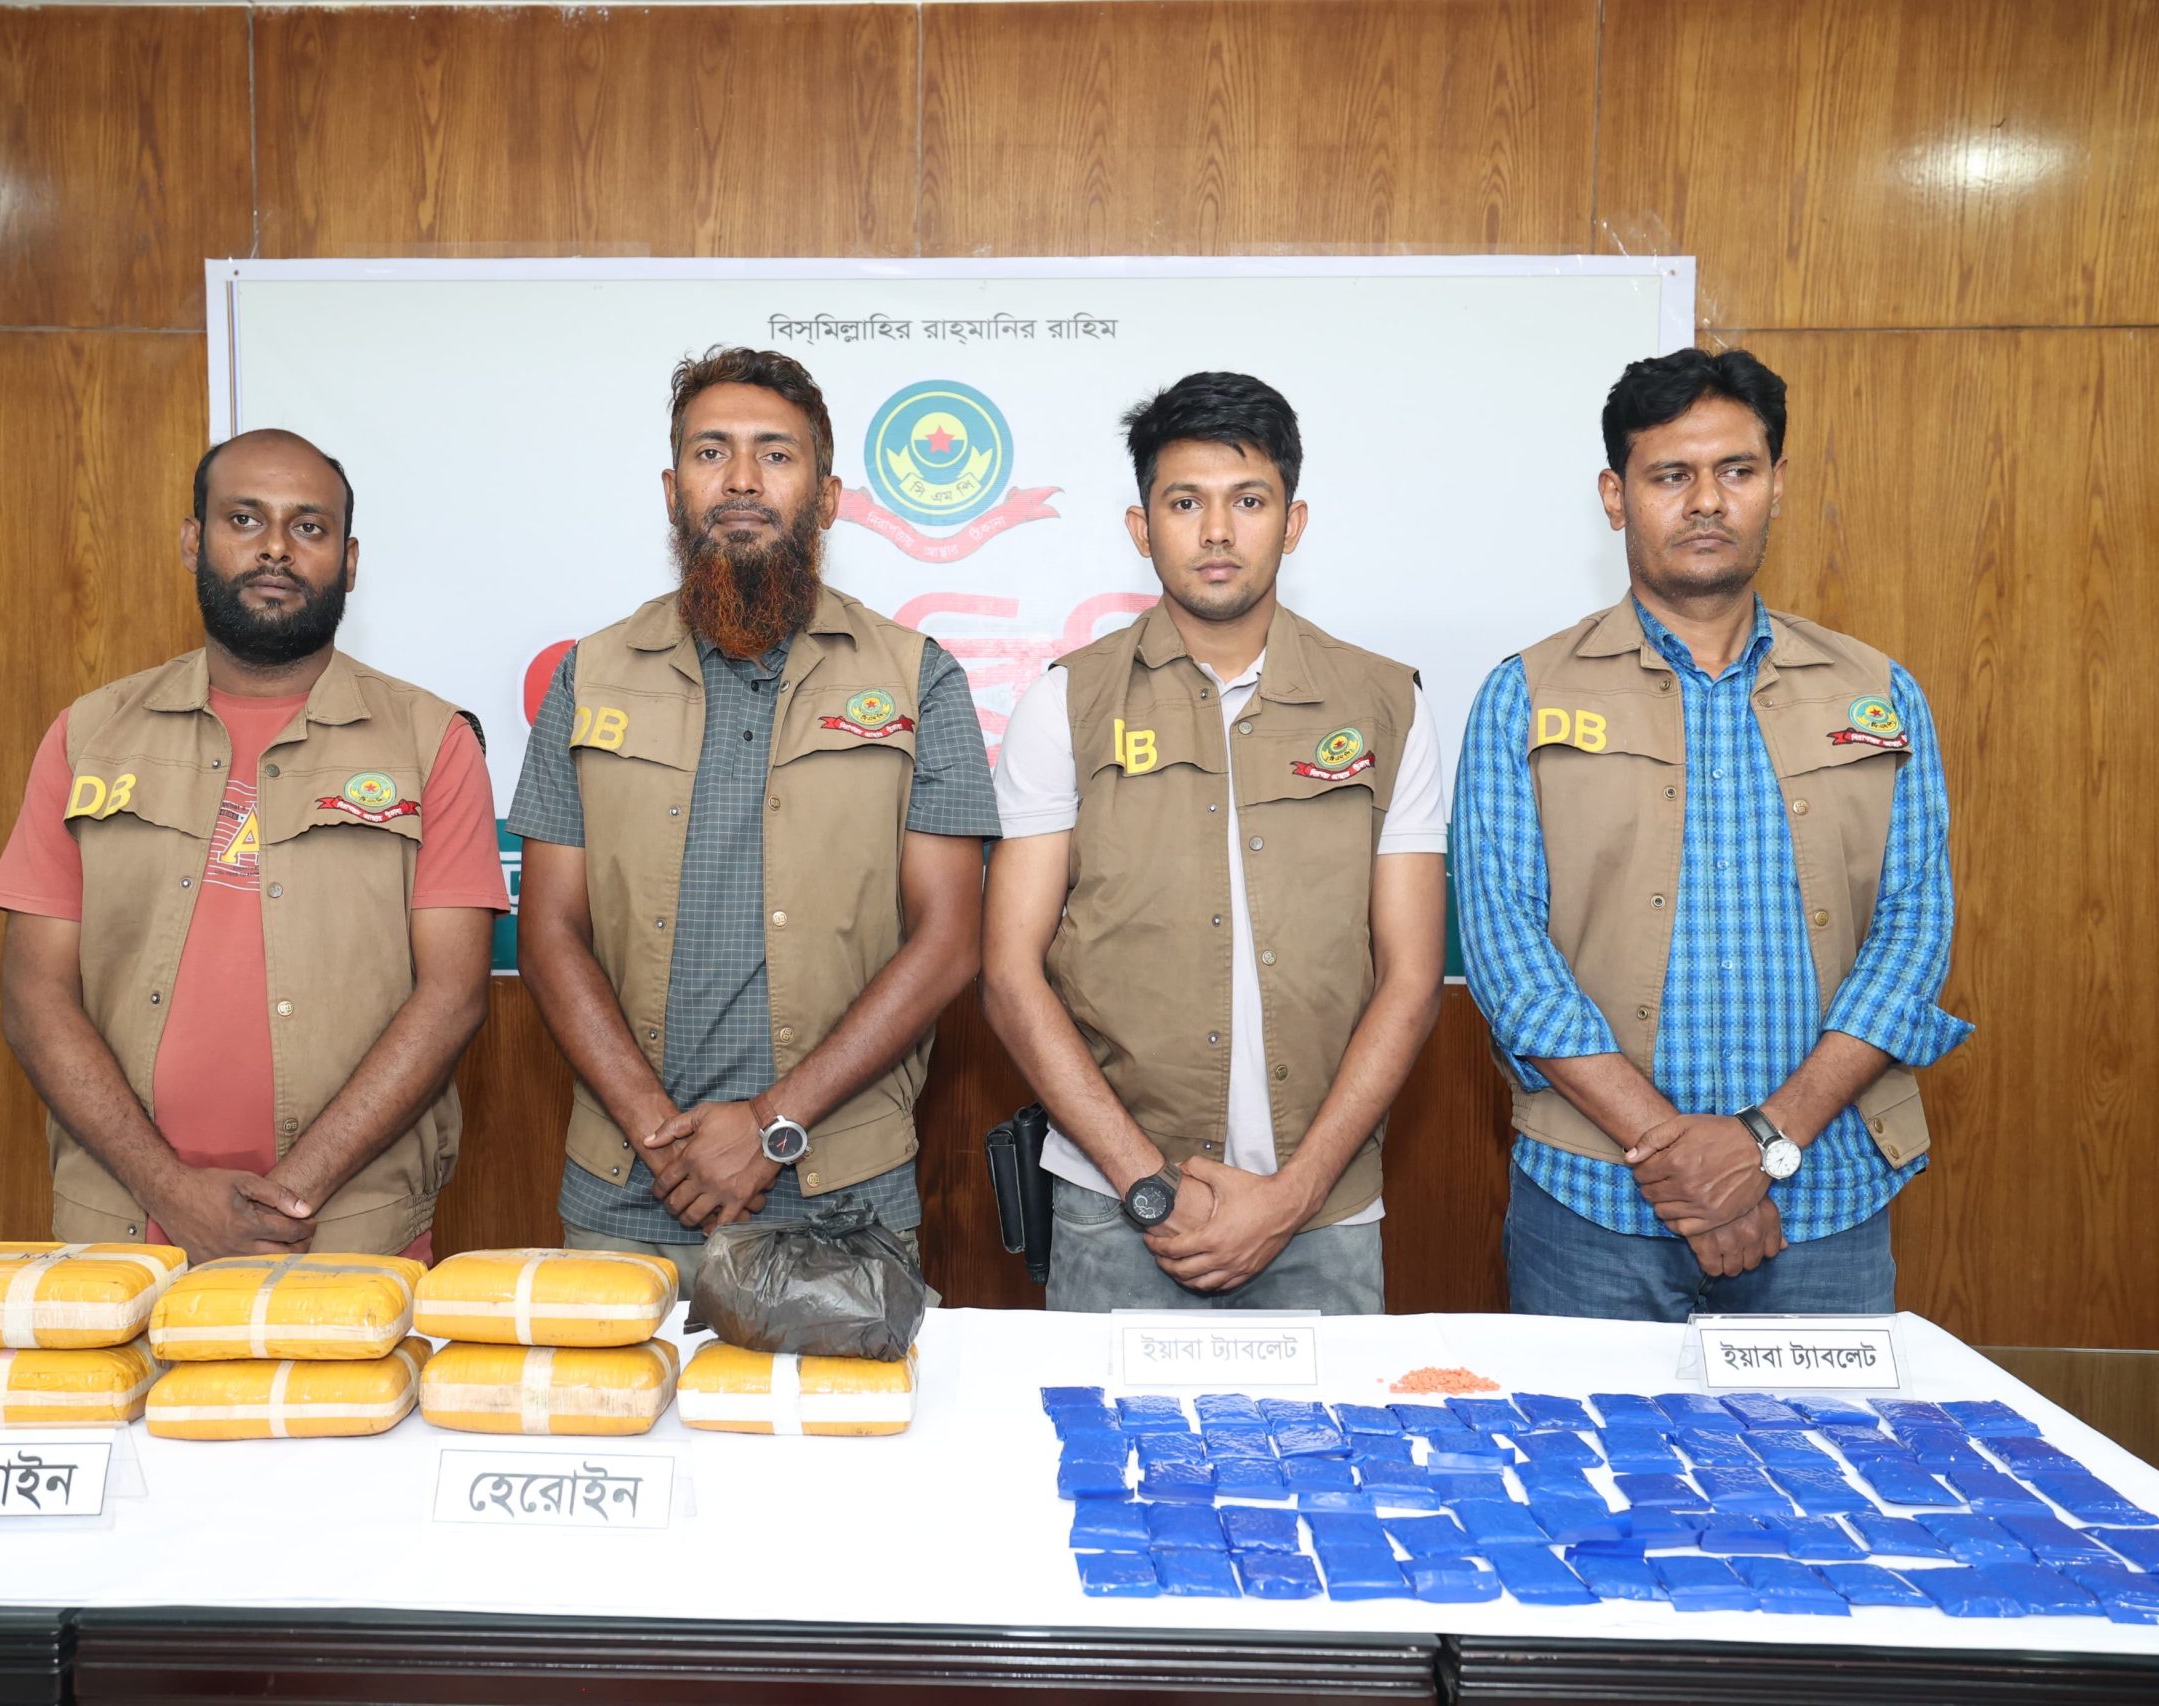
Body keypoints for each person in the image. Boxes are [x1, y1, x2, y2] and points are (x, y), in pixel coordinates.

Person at [1452, 348, 1970, 1321]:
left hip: (1827, 1194)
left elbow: (1914, 934)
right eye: (1670, 475)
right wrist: (1684, 1162)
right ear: (1616, 496)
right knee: (1586, 1433)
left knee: (1823, 1435)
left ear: (1777, 484)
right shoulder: (1524, 696)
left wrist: (1763, 1141)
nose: (1705, 501)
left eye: (1736, 470)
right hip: (1595, 1204)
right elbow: (1508, 960)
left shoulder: (1876, 693)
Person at [511, 348, 997, 1290]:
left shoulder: (918, 678)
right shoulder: (588, 677)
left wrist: (771, 1126)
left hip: (842, 1203)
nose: (741, 480)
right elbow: (550, 933)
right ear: (672, 490)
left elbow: (948, 941)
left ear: (827, 496)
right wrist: (662, 1137)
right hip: (627, 1196)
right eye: (711, 453)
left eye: (775, 454)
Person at [981, 371, 1447, 1314]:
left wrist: (1293, 1196)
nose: (1218, 532)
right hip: (1115, 1211)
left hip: (1323, 1218)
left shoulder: (1387, 704)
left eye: (1250, 501)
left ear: (1294, 521)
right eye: (1185, 502)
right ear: (1141, 525)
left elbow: (1410, 978)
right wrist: (1147, 1185)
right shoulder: (1066, 703)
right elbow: (1009, 976)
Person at [0, 429, 510, 1262]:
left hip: (342, 1231)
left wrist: (286, 1197)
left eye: (309, 527)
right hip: (125, 1231)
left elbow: (451, 998)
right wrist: (171, 1191)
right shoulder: (89, 736)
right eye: (244, 519)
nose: (275, 548)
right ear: (193, 541)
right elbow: (33, 996)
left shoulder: (430, 743)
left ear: (349, 560)